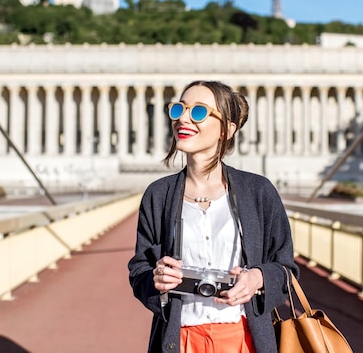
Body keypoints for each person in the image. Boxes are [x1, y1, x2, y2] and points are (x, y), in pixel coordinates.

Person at [128, 80, 298, 353]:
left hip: (245, 338)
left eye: (198, 112)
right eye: (179, 109)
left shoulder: (258, 191)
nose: (183, 118)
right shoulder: (158, 194)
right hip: (180, 340)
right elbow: (139, 271)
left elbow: (287, 269)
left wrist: (257, 278)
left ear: (227, 129)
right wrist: (156, 280)